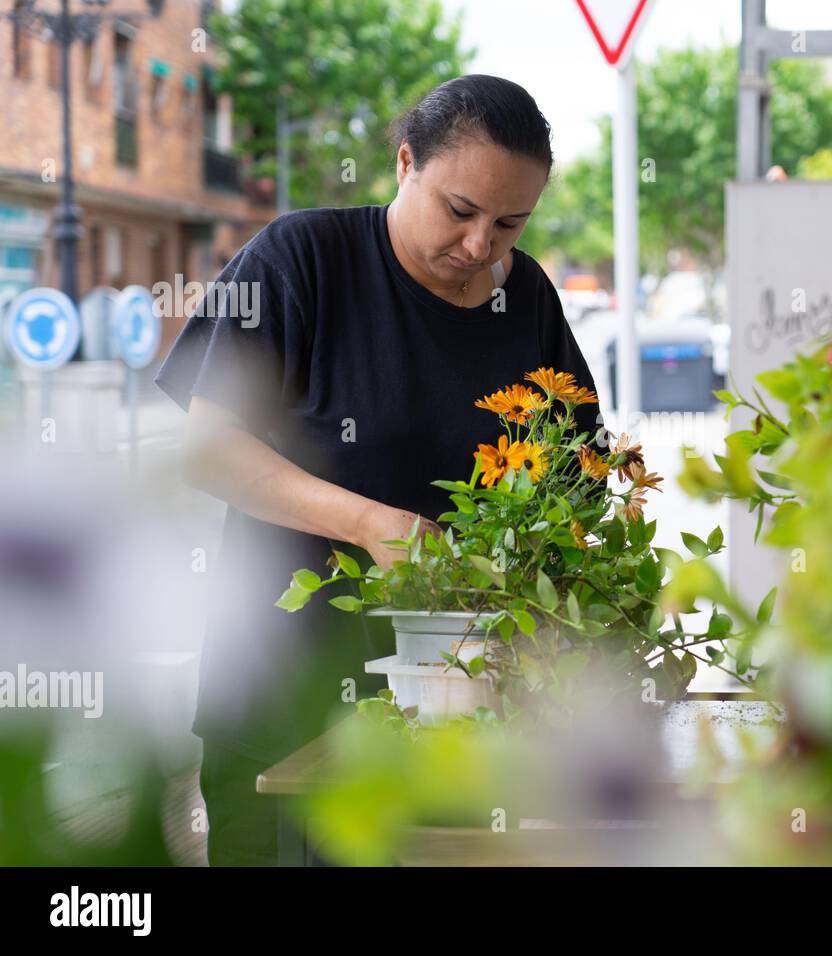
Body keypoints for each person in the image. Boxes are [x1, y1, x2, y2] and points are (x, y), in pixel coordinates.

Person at [155, 74, 603, 865]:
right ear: (404, 164)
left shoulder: (524, 297)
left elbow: (579, 475)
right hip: (281, 705)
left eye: (509, 224)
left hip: (459, 725)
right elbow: (206, 446)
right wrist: (372, 525)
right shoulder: (302, 258)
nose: (478, 247)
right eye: (460, 212)